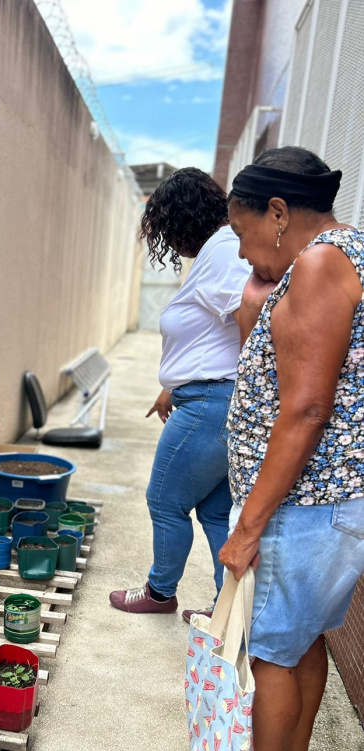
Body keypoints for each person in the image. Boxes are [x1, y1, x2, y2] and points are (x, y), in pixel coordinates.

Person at [158, 146, 364, 751]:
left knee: (269, 656)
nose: (244, 253)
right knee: (301, 641)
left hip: (304, 508)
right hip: (328, 508)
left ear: (279, 215)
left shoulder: (318, 264)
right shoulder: (344, 255)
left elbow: (305, 410)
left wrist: (246, 528)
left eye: (246, 235)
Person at [109, 169, 250, 617]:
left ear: (180, 219)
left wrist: (248, 389)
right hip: (210, 399)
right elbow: (215, 336)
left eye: (167, 229)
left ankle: (160, 591)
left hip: (212, 404)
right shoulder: (221, 248)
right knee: (213, 513)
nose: (169, 242)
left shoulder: (223, 252)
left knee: (165, 500)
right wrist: (171, 389)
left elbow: (253, 316)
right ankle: (224, 610)